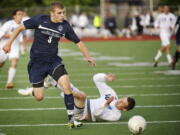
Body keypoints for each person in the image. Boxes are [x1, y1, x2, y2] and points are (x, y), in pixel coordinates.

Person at [3, 2, 96, 128]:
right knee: (39, 97)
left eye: (64, 12)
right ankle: (35, 90)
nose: (62, 15)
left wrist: (88, 56)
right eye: (59, 13)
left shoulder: (65, 26)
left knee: (67, 87)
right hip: (37, 63)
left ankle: (71, 120)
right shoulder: (40, 20)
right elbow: (19, 28)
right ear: (52, 13)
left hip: (53, 61)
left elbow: (78, 42)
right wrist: (8, 44)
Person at [18, 73, 136, 122]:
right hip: (81, 103)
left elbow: (97, 114)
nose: (119, 101)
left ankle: (56, 87)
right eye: (122, 99)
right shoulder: (112, 95)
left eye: (122, 103)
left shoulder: (116, 116)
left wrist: (105, 105)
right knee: (67, 85)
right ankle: (40, 88)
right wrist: (105, 77)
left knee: (81, 95)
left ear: (124, 109)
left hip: (81, 114)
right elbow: (96, 79)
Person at [0, 9, 24, 88]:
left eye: (21, 14)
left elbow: (21, 37)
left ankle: (9, 82)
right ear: (14, 16)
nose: (21, 16)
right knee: (1, 64)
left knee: (14, 62)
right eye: (19, 14)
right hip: (4, 45)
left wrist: (22, 45)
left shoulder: (23, 25)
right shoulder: (9, 23)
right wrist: (12, 36)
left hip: (15, 47)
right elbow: (2, 33)